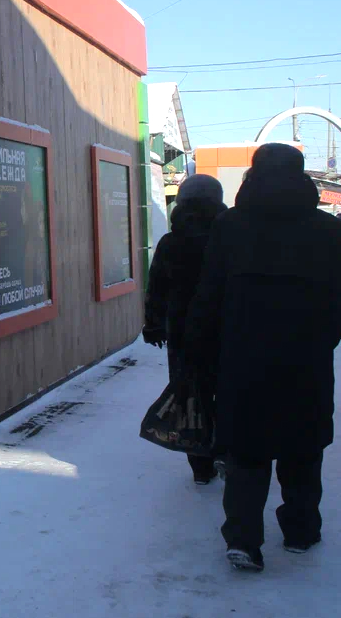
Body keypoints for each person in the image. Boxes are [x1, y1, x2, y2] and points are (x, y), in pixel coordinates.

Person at [186, 144, 341, 573]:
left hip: (243, 361)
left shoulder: (230, 226)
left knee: (246, 452)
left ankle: (243, 539)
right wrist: (322, 339)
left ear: (253, 175)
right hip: (306, 361)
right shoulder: (326, 229)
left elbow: (208, 297)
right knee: (304, 448)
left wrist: (203, 350)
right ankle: (300, 532)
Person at [143, 173, 228, 485]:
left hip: (183, 332)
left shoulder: (172, 242)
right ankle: (226, 451)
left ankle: (200, 465)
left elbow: (157, 288)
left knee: (191, 394)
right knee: (227, 393)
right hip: (226, 330)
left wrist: (154, 326)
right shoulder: (229, 238)